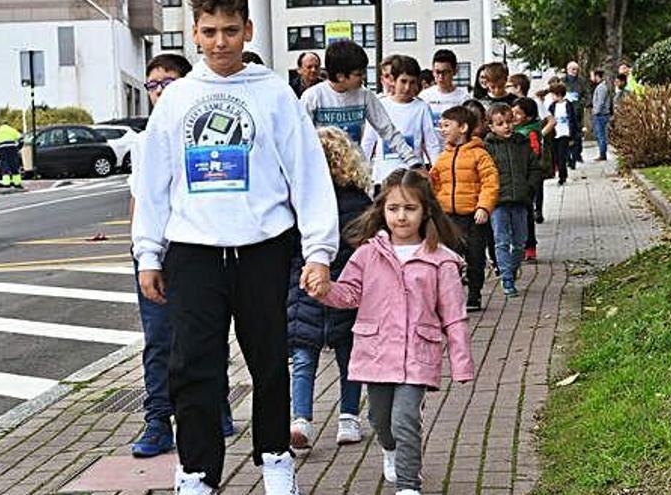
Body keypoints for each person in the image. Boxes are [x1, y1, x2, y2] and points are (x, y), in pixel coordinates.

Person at [131, 0, 339, 493]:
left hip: (262, 248)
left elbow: (307, 173)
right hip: (192, 251)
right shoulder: (178, 98)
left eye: (229, 30)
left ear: (247, 30)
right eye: (209, 31)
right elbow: (154, 182)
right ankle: (197, 471)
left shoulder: (275, 94)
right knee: (192, 367)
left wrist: (319, 251)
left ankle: (275, 458)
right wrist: (148, 253)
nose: (220, 41)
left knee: (269, 361)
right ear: (194, 34)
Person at [305, 169, 475, 495]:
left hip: (418, 354)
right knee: (380, 420)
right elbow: (349, 294)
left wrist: (461, 362)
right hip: (377, 351)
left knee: (405, 420)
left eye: (410, 208)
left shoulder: (441, 260)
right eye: (393, 208)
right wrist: (324, 290)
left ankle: (409, 485)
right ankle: (390, 448)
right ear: (382, 210)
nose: (401, 216)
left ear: (426, 211)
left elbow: (454, 315)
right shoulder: (368, 254)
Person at [131, 52, 241, 460]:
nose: (160, 91)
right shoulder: (144, 140)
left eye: (169, 82)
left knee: (206, 335)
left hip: (197, 247)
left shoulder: (202, 128)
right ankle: (158, 419)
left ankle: (216, 405)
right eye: (153, 84)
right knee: (159, 339)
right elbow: (141, 199)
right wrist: (143, 253)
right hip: (157, 251)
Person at [288, 126, 372, 450]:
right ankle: (348, 418)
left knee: (303, 356)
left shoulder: (297, 202)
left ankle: (301, 419)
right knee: (349, 356)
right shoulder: (359, 201)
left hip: (304, 287)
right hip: (347, 287)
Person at [301, 40, 420, 168]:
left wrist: (413, 162)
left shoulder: (365, 95)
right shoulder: (313, 97)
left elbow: (387, 130)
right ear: (341, 76)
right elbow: (300, 138)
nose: (363, 77)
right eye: (358, 74)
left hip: (354, 170)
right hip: (322, 168)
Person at [430, 106, 499, 311]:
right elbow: (436, 185)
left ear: (463, 128)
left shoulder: (479, 155)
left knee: (475, 256)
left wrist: (484, 207)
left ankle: (475, 294)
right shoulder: (443, 157)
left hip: (474, 216)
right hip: (449, 218)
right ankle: (451, 294)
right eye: (441, 125)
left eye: (446, 125)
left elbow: (490, 182)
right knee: (449, 257)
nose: (442, 130)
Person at [484, 103, 542, 296]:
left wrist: (529, 188)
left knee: (520, 241)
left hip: (520, 200)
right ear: (491, 126)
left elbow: (535, 168)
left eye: (509, 122)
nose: (506, 126)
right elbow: (483, 174)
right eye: (500, 123)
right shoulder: (487, 147)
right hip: (498, 202)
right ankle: (507, 278)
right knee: (501, 240)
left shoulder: (522, 143)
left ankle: (512, 268)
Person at [362, 56, 442, 191]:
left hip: (413, 179)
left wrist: (437, 173)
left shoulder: (422, 107)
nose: (407, 87)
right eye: (403, 81)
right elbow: (368, 142)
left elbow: (431, 144)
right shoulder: (380, 104)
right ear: (393, 80)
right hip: (383, 178)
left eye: (412, 82)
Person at [461, 99, 499, 276]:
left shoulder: (490, 144)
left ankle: (496, 261)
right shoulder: (456, 147)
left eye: (475, 122)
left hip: (487, 199)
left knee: (491, 232)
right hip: (467, 201)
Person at [511, 97, 549, 263]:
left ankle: (529, 247)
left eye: (518, 113)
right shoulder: (516, 130)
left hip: (526, 179)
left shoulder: (530, 132)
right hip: (518, 177)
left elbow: (535, 153)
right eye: (512, 112)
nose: (513, 116)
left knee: (526, 214)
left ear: (529, 116)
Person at [419, 49, 471, 147]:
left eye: (445, 72)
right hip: (431, 150)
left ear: (455, 71)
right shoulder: (424, 96)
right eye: (437, 72)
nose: (441, 77)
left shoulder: (464, 98)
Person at [544, 83, 578, 186]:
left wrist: (573, 135)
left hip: (565, 133)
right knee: (556, 156)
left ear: (558, 94)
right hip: (555, 134)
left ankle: (562, 177)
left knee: (561, 156)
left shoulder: (568, 105)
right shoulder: (552, 106)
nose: (552, 97)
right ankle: (561, 172)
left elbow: (573, 120)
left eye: (553, 94)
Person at [561, 61, 589, 164]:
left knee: (578, 133)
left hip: (577, 110)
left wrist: (581, 102)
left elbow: (587, 95)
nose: (574, 71)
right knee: (567, 133)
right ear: (567, 70)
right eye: (572, 69)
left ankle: (577, 154)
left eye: (576, 69)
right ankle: (568, 155)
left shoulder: (581, 81)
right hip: (565, 111)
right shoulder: (562, 81)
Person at [0, 124, 22, 188]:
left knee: (5, 166)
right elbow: (21, 140)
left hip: (2, 150)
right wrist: (18, 148)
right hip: (12, 149)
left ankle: (7, 183)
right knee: (14, 166)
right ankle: (17, 183)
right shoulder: (12, 130)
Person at [591, 69, 611, 161]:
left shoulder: (601, 87)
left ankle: (602, 154)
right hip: (600, 114)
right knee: (600, 135)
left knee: (601, 135)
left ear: (597, 76)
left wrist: (596, 111)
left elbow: (601, 101)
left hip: (601, 115)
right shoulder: (601, 87)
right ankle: (602, 153)